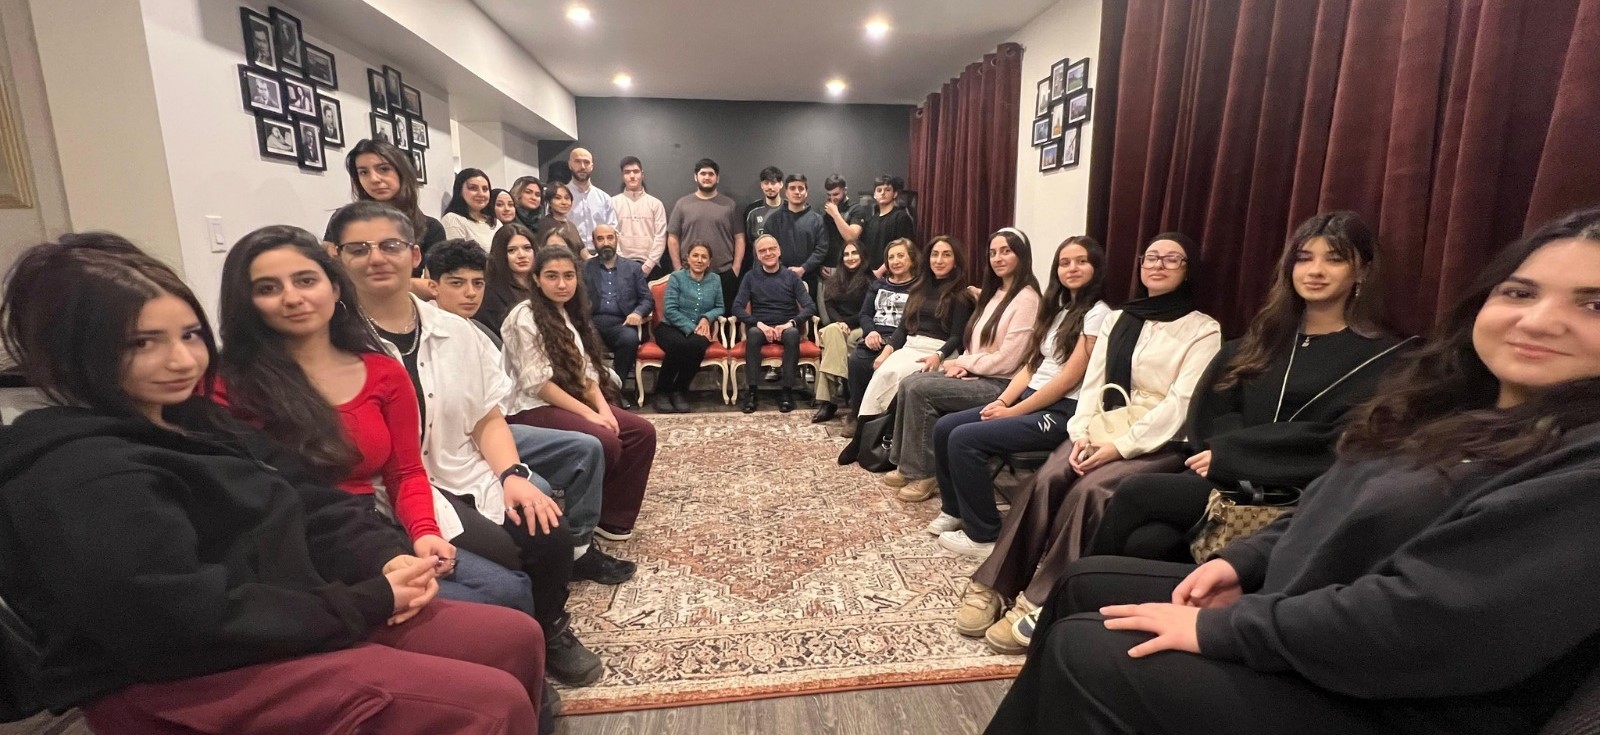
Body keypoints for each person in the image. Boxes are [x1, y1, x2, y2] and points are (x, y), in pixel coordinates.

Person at [985, 207, 1600, 735]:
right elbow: (1330, 495)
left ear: (1362, 271)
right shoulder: (1447, 403)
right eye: (1521, 293)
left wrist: (1228, 628)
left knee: (1084, 647)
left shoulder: (1578, 462)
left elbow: (1421, 624)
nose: (1539, 320)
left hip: (1397, 696)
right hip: (1307, 605)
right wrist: (1245, 560)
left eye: (1593, 304)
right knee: (1083, 581)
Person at [0, 234, 544, 733]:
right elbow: (181, 620)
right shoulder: (83, 470)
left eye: (189, 335)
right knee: (489, 703)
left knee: (512, 635)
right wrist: (363, 600)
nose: (181, 359)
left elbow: (315, 499)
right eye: (142, 343)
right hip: (190, 671)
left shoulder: (196, 418)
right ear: (75, 351)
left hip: (296, 609)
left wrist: (383, 557)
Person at [212, 225, 605, 702]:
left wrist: (506, 478)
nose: (292, 297)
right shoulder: (231, 386)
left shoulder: (386, 365)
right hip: (323, 532)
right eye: (268, 288)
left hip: (415, 492)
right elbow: (270, 501)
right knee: (500, 591)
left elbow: (415, 463)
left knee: (544, 531)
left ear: (332, 286)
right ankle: (496, 683)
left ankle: (537, 651)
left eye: (305, 280)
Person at [1091, 212, 1410, 563]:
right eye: (1304, 258)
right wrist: (1227, 456)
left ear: (1362, 271)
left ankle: (1074, 587)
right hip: (1228, 480)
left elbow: (1350, 441)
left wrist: (1239, 456)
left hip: (1303, 492)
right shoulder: (1259, 343)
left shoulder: (1386, 357)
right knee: (1148, 542)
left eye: (1334, 259)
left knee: (1136, 491)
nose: (1315, 271)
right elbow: (1215, 409)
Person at [962, 232, 1221, 655]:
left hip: (1159, 439)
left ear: (1187, 269)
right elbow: (1093, 385)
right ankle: (995, 582)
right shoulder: (1119, 319)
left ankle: (1043, 598)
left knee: (1092, 490)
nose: (1158, 265)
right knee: (1048, 476)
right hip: (1101, 424)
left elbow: (1181, 404)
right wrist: (1081, 433)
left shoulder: (1203, 329)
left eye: (1171, 259)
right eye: (1151, 257)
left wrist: (1119, 448)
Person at [925, 237, 1112, 557]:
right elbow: (1031, 365)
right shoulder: (1058, 309)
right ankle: (955, 510)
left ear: (1096, 267)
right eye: (1064, 262)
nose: (1072, 268)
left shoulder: (1098, 313)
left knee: (964, 439)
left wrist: (1014, 412)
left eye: (1081, 261)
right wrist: (1003, 402)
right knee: (945, 428)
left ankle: (984, 536)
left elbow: (1068, 379)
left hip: (1063, 410)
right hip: (1030, 397)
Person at [502, 245, 659, 544]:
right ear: (536, 279)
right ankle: (578, 523)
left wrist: (605, 410)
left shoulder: (568, 313)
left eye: (568, 276)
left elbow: (586, 373)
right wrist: (590, 414)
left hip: (569, 398)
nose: (562, 284)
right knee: (605, 440)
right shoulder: (523, 317)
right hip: (530, 405)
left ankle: (612, 517)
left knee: (641, 432)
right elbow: (538, 384)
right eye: (552, 276)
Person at [884, 228, 1042, 499]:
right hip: (979, 373)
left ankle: (925, 473)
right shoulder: (996, 293)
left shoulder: (1027, 299)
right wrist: (964, 363)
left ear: (1022, 256)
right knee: (910, 381)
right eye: (993, 253)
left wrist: (966, 363)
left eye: (1006, 251)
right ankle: (906, 464)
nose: (998, 258)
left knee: (920, 390)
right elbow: (974, 341)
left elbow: (1009, 360)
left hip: (1001, 384)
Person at [327, 139, 446, 287]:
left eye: (383, 169)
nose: (374, 179)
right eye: (363, 172)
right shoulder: (345, 220)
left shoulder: (431, 228)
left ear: (401, 171)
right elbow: (332, 276)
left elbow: (436, 285)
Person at [733, 234, 817, 413]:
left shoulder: (792, 277)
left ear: (779, 251)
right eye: (762, 251)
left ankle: (787, 392)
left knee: (793, 334)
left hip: (786, 326)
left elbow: (810, 306)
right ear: (757, 256)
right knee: (753, 333)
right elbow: (737, 307)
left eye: (772, 249)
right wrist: (759, 324)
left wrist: (791, 323)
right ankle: (752, 392)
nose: (768, 253)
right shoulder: (750, 277)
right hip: (761, 327)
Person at [583, 223, 653, 409]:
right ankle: (592, 392)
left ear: (616, 239)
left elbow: (647, 299)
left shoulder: (633, 268)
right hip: (592, 321)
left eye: (609, 237)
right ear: (594, 242)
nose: (606, 242)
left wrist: (637, 313)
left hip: (622, 322)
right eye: (600, 239)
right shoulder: (585, 268)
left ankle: (616, 391)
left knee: (629, 339)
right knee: (582, 339)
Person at [653, 241, 724, 413]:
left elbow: (720, 307)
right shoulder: (677, 277)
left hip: (700, 329)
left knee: (697, 345)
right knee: (679, 345)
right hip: (669, 327)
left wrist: (707, 318)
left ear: (709, 261)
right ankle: (661, 392)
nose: (699, 260)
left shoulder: (715, 280)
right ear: (688, 258)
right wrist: (692, 327)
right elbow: (670, 310)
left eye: (704, 257)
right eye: (695, 255)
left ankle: (679, 390)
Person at [812, 241, 878, 424]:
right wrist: (840, 322)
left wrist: (847, 323)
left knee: (834, 337)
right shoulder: (835, 279)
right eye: (846, 254)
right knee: (831, 331)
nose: (850, 258)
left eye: (854, 253)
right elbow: (829, 304)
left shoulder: (871, 281)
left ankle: (828, 401)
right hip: (840, 325)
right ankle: (834, 396)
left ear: (862, 256)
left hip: (862, 327)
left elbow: (868, 311)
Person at [666, 158, 746, 308]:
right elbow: (672, 237)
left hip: (723, 273)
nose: (707, 177)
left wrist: (735, 268)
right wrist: (677, 268)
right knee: (691, 315)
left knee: (723, 317)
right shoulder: (682, 204)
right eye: (703, 173)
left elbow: (740, 238)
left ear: (717, 178)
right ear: (695, 177)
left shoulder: (730, 205)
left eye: (711, 174)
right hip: (689, 273)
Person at [423, 238, 499, 346]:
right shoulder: (419, 329)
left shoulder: (481, 334)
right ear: (433, 287)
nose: (471, 293)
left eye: (478, 283)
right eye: (457, 283)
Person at [765, 174, 830, 299]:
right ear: (786, 192)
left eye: (801, 188)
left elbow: (821, 249)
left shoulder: (817, 220)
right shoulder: (773, 220)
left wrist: (804, 268)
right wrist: (782, 271)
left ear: (806, 192)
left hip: (809, 278)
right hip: (778, 278)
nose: (797, 192)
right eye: (792, 188)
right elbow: (767, 249)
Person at [476, 222, 539, 340]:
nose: (521, 255)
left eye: (527, 248)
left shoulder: (543, 286)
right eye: (512, 250)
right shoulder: (490, 294)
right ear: (500, 255)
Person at [612, 155, 668, 277]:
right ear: (622, 176)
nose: (632, 176)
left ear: (642, 174)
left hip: (651, 268)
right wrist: (622, 264)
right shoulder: (613, 203)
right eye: (627, 172)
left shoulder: (656, 204)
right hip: (621, 267)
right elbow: (612, 235)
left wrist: (648, 266)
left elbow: (660, 237)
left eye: (636, 171)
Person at [857, 175, 916, 274]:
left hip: (893, 273)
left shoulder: (901, 218)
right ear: (874, 195)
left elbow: (904, 249)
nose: (883, 193)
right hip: (871, 274)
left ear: (895, 194)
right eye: (879, 190)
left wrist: (879, 272)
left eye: (887, 190)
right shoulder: (871, 221)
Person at [563, 147, 617, 253]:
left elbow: (612, 229)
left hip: (600, 255)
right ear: (570, 164)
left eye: (586, 162)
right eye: (578, 161)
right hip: (570, 254)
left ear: (592, 166)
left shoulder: (604, 198)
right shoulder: (560, 197)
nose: (582, 166)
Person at [820, 174, 865, 280]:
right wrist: (819, 265)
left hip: (849, 266)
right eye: (829, 195)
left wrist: (835, 214)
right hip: (827, 267)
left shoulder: (856, 209)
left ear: (845, 190)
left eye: (836, 194)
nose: (832, 198)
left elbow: (851, 238)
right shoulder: (825, 211)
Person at [742, 165, 785, 275]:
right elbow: (748, 241)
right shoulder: (752, 211)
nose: (770, 187)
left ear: (781, 184)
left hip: (786, 267)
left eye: (773, 183)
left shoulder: (790, 208)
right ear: (761, 185)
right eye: (766, 183)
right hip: (759, 268)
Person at [441, 168, 498, 246]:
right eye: (473, 188)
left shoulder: (495, 222)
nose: (481, 194)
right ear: (460, 191)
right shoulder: (453, 220)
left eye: (485, 189)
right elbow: (456, 253)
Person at [538, 182, 585, 256]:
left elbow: (582, 250)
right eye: (558, 198)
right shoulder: (544, 224)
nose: (564, 202)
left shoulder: (571, 225)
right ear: (549, 202)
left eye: (567, 198)